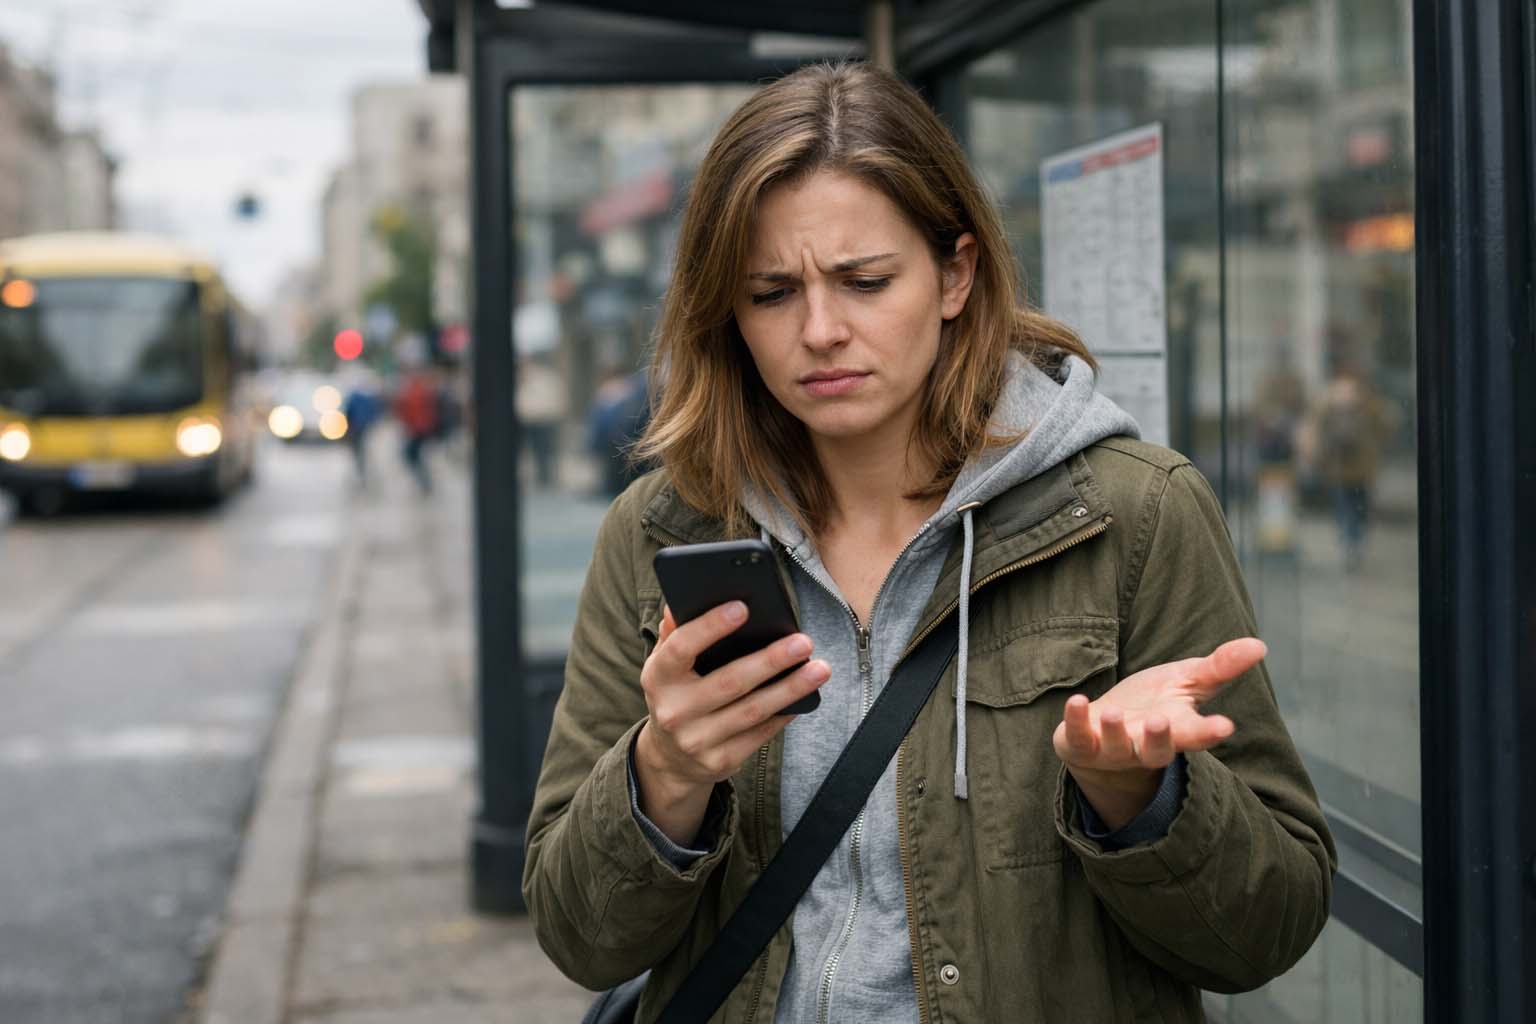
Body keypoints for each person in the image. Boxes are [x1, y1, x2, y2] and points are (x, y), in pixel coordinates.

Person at [524, 62, 1334, 1023]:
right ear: (725, 312)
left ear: (956, 274)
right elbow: (580, 937)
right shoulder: (663, 530)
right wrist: (664, 775)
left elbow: (1268, 928)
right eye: (772, 293)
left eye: (865, 281)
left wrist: (1141, 799)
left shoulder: (1131, 512)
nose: (821, 330)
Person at [392, 364, 439, 495]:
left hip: (419, 429)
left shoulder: (416, 391)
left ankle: (425, 482)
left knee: (411, 455)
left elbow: (411, 410)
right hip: (418, 428)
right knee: (414, 455)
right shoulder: (417, 390)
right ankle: (424, 481)